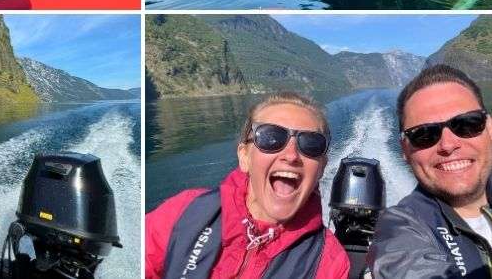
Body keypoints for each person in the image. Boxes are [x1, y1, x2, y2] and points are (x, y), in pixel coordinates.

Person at [145, 93, 350, 279]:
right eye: (271, 138)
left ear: (322, 167)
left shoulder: (329, 264)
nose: (291, 155)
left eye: (311, 144)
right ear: (244, 157)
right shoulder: (185, 212)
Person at [368, 64, 492, 278]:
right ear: (405, 150)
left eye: (467, 124)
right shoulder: (401, 229)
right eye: (424, 134)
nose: (448, 145)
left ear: (490, 129)